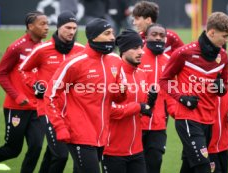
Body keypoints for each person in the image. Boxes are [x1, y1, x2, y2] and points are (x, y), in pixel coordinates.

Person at [43, 18, 127, 173]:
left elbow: (118, 97)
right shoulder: (75, 63)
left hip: (102, 134)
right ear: (94, 37)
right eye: (107, 33)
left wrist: (121, 91)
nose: (112, 38)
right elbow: (50, 95)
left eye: (112, 33)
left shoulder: (116, 61)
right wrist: (60, 127)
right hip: (79, 133)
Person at [159, 12, 228, 173]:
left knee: (189, 167)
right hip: (187, 118)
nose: (226, 40)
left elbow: (224, 88)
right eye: (225, 36)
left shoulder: (223, 56)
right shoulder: (184, 53)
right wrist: (181, 98)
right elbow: (164, 80)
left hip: (208, 120)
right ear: (212, 32)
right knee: (204, 167)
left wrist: (220, 87)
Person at [19, 11, 85, 173]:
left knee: (53, 151)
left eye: (74, 28)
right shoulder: (42, 49)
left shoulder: (81, 50)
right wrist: (36, 85)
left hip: (72, 110)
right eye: (67, 27)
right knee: (61, 155)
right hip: (48, 108)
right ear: (58, 27)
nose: (71, 32)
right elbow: (23, 69)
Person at [0, 11, 48, 173]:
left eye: (47, 23)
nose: (46, 27)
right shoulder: (16, 47)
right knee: (12, 150)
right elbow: (0, 74)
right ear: (30, 26)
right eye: (42, 24)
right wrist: (17, 96)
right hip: (16, 108)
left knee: (36, 147)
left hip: (37, 107)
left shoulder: (44, 47)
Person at [102, 29, 156, 173]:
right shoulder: (112, 74)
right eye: (135, 48)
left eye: (141, 47)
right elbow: (109, 110)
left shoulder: (142, 74)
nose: (141, 52)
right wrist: (138, 107)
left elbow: (143, 108)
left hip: (137, 150)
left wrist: (150, 104)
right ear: (123, 50)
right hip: (113, 151)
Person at [137, 23, 170, 173]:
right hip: (136, 121)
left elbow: (173, 92)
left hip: (158, 124)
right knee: (136, 166)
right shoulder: (136, 57)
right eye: (154, 34)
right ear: (146, 37)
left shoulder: (170, 61)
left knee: (155, 163)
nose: (158, 38)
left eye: (161, 35)